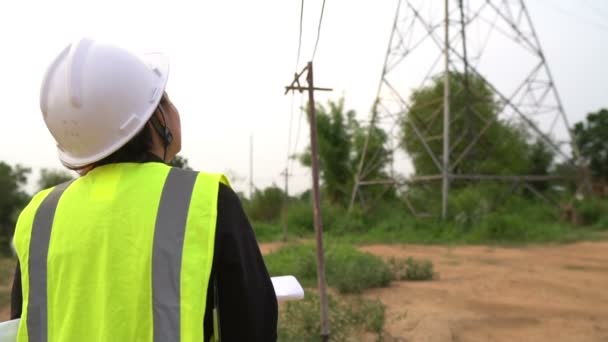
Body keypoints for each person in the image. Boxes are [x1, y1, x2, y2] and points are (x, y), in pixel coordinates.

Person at [10, 37, 277, 341]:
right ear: (156, 116)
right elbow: (253, 326)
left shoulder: (40, 217)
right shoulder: (204, 201)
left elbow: (23, 323)